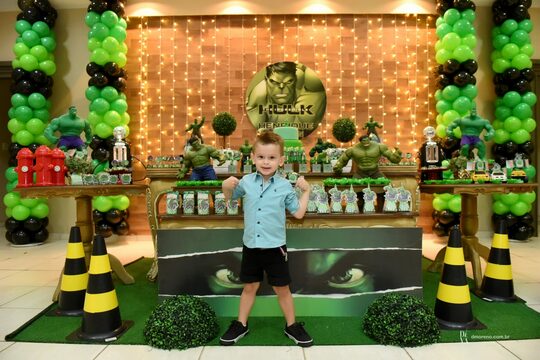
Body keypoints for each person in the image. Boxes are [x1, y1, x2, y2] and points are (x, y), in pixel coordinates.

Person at [219, 130, 313, 347]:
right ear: (253, 158)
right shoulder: (246, 183)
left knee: (282, 289)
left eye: (271, 158)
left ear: (281, 161)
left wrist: (306, 192)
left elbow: (298, 214)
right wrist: (226, 185)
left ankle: (292, 325)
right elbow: (230, 198)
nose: (266, 162)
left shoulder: (284, 187)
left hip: (275, 248)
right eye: (261, 157)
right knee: (249, 286)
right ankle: (241, 324)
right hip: (251, 246)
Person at [245, 61, 326, 138]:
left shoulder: (310, 87)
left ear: (295, 79)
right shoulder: (260, 94)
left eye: (289, 81)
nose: (281, 87)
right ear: (266, 79)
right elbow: (254, 131)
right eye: (274, 82)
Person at [333, 135, 402, 179]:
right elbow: (342, 160)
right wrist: (337, 168)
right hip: (360, 174)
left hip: (375, 172)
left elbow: (393, 159)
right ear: (360, 141)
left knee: (384, 190)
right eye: (363, 141)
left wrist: (397, 156)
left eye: (367, 140)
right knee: (357, 193)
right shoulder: (352, 149)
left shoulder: (379, 147)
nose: (366, 142)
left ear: (370, 139)